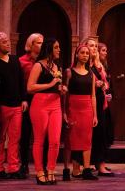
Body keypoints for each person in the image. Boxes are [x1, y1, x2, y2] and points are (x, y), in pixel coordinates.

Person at [27, 38, 66, 185]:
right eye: (56, 47)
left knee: (55, 141)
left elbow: (57, 86)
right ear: (49, 49)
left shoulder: (57, 66)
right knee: (39, 140)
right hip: (40, 104)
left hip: (55, 104)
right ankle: (39, 172)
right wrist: (50, 84)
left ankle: (51, 170)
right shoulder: (38, 65)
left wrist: (61, 89)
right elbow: (30, 88)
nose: (59, 50)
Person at [0, 32, 27, 180]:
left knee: (15, 138)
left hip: (17, 105)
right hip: (2, 106)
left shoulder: (14, 60)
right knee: (0, 138)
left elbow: (21, 80)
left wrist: (24, 99)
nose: (7, 44)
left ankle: (13, 168)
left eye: (7, 41)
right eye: (4, 42)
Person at [63, 44, 98, 181]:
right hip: (73, 107)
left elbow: (93, 95)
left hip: (87, 108)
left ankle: (87, 169)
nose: (85, 55)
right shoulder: (69, 72)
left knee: (87, 139)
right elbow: (65, 94)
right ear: (76, 54)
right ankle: (66, 168)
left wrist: (95, 115)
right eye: (82, 52)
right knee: (69, 139)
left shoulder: (91, 74)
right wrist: (64, 112)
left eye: (87, 53)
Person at [84, 37, 114, 176]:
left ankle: (100, 164)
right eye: (91, 46)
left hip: (101, 103)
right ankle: (88, 165)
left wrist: (105, 90)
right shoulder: (83, 65)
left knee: (102, 135)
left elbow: (105, 82)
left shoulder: (98, 65)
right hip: (88, 104)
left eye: (96, 46)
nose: (94, 48)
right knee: (91, 136)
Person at [18, 32, 43, 176]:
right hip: (27, 99)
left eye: (42, 42)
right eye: (38, 42)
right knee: (25, 132)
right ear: (31, 45)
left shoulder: (44, 61)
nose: (41, 45)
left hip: (42, 99)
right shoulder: (21, 61)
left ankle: (42, 164)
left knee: (41, 133)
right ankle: (24, 164)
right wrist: (23, 99)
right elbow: (20, 83)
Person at [98, 42, 115, 147]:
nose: (105, 53)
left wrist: (110, 94)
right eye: (103, 50)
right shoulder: (94, 67)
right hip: (98, 99)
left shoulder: (105, 65)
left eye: (106, 51)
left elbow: (109, 83)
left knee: (107, 128)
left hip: (105, 101)